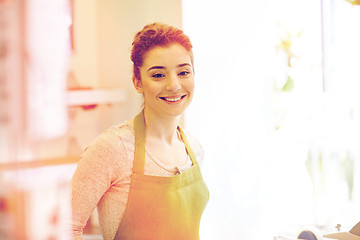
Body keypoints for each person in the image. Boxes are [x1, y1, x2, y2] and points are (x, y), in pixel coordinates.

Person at [71, 22, 209, 240]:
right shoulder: (111, 149)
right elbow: (66, 229)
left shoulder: (195, 149)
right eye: (158, 75)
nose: (174, 85)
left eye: (183, 72)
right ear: (137, 82)